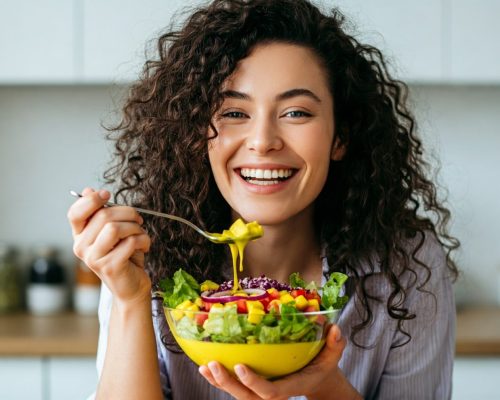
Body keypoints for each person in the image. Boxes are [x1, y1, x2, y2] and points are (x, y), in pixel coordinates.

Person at [67, 0, 460, 399]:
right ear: (195, 133)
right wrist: (131, 300)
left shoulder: (408, 266)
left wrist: (322, 379)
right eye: (235, 113)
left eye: (296, 113)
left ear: (340, 136)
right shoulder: (147, 260)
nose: (263, 142)